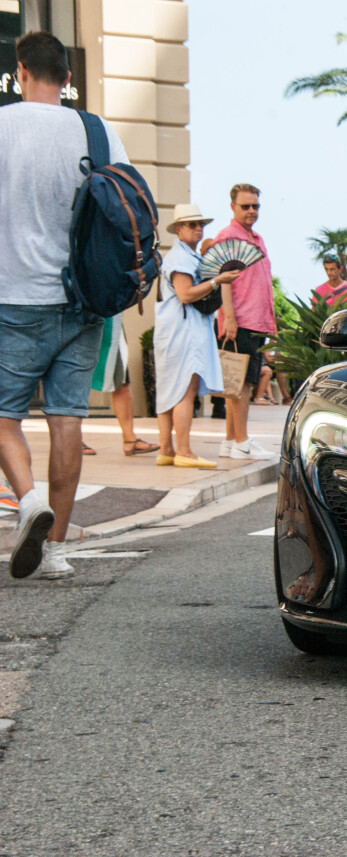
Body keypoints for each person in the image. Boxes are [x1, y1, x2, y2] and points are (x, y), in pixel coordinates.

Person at [0, 31, 128, 579]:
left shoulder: (3, 125)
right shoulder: (95, 130)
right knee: (67, 418)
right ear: (69, 79)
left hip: (13, 297)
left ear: (20, 70)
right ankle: (56, 552)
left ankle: (28, 501)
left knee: (4, 415)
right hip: (83, 301)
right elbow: (125, 205)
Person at [155, 204, 240, 468]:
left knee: (170, 391)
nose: (198, 229)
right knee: (184, 389)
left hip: (176, 330)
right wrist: (217, 281)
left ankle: (167, 450)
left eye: (200, 224)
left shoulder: (185, 256)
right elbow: (186, 294)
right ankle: (184, 451)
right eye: (192, 225)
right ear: (178, 229)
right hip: (183, 332)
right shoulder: (180, 258)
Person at [212, 183, 276, 460]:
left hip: (257, 322)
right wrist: (229, 318)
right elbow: (224, 281)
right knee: (239, 385)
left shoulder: (258, 239)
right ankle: (242, 441)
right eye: (245, 206)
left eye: (255, 206)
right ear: (233, 207)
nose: (251, 211)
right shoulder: (227, 236)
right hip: (239, 322)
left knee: (239, 384)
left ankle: (230, 441)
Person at [90, 314, 161, 456]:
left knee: (121, 379)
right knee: (72, 379)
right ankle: (72, 439)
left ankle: (130, 440)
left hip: (109, 319)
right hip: (77, 315)